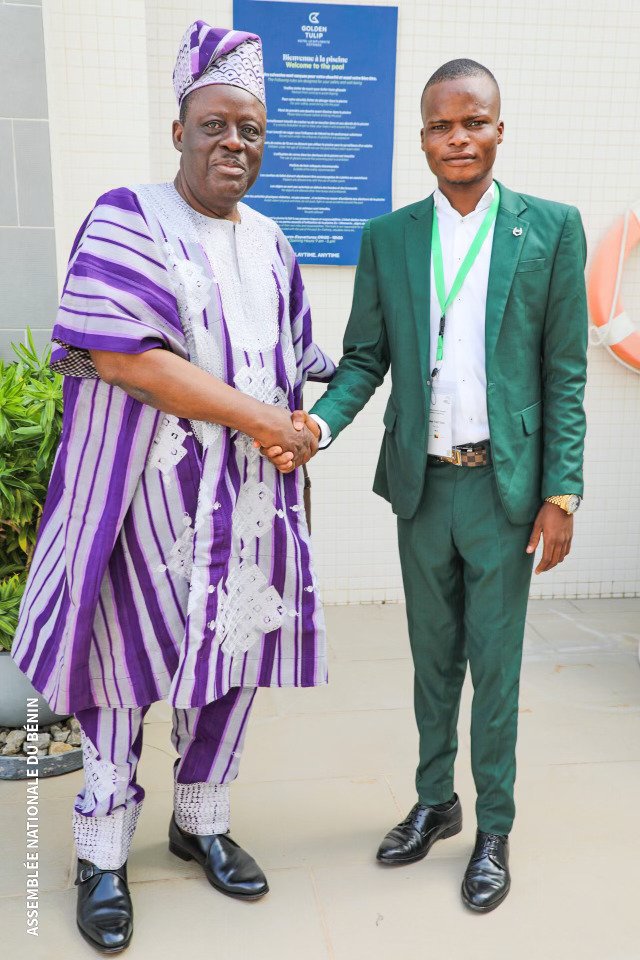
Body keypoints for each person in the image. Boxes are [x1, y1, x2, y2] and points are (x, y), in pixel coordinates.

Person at [11, 21, 333, 953]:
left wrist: (301, 425)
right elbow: (125, 358)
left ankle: (201, 824)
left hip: (250, 510)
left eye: (252, 129)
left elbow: (298, 363)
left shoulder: (272, 242)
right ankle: (102, 856)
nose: (235, 143)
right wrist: (263, 418)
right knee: (121, 678)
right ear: (180, 129)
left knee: (230, 668)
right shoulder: (128, 215)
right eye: (216, 124)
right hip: (141, 510)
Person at [267, 58, 588, 913]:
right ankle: (435, 802)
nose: (459, 138)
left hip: (504, 491)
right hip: (422, 485)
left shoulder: (552, 229)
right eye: (442, 126)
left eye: (473, 121)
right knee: (432, 660)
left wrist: (562, 492)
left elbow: (564, 372)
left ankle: (494, 828)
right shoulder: (390, 237)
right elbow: (364, 358)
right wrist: (316, 427)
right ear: (421, 139)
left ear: (498, 129)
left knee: (497, 668)